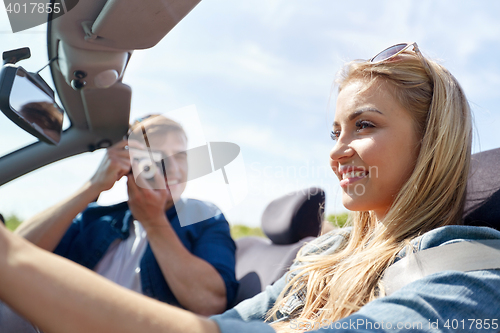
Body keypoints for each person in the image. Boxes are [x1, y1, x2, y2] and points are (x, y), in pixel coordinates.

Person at [1, 42, 500, 333]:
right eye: (335, 132)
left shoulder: (467, 270)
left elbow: (208, 308)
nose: (337, 151)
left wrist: (155, 223)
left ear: (430, 139)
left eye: (364, 125)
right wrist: (90, 189)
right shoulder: (323, 255)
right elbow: (234, 325)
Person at [13, 114, 238, 316]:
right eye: (156, 156)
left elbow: (211, 302)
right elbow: (13, 254)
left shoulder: (206, 218)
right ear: (131, 165)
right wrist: (93, 186)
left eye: (180, 157)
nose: (172, 167)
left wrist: (153, 222)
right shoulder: (95, 218)